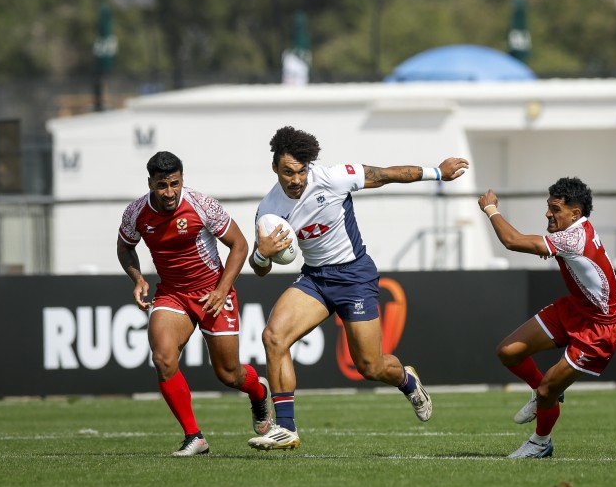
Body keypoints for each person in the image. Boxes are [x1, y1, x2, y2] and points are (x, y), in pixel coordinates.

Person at [246, 125, 469, 451]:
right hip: (315, 279)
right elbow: (261, 270)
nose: (295, 179)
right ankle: (286, 428)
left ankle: (407, 380)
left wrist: (437, 172)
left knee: (371, 366)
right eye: (288, 172)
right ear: (275, 168)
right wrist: (260, 254)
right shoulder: (268, 211)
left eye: (301, 171)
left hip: (354, 277)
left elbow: (386, 174)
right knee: (273, 337)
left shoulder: (334, 178)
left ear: (310, 166)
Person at [117, 151, 272, 457]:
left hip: (213, 292)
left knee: (229, 375)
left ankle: (258, 391)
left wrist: (221, 290)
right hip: (172, 294)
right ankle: (194, 437)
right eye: (162, 185)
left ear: (182, 179)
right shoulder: (136, 213)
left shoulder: (202, 205)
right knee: (162, 359)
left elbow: (239, 245)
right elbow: (125, 247)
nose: (170, 192)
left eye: (174, 183)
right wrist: (137, 278)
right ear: (150, 183)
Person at [478, 177, 616, 459]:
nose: (548, 213)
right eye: (548, 207)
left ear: (575, 213)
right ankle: (541, 393)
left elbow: (512, 241)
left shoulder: (573, 238)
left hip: (598, 328)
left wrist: (491, 209)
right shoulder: (576, 230)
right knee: (508, 352)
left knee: (548, 391)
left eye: (555, 209)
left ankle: (541, 443)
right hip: (575, 309)